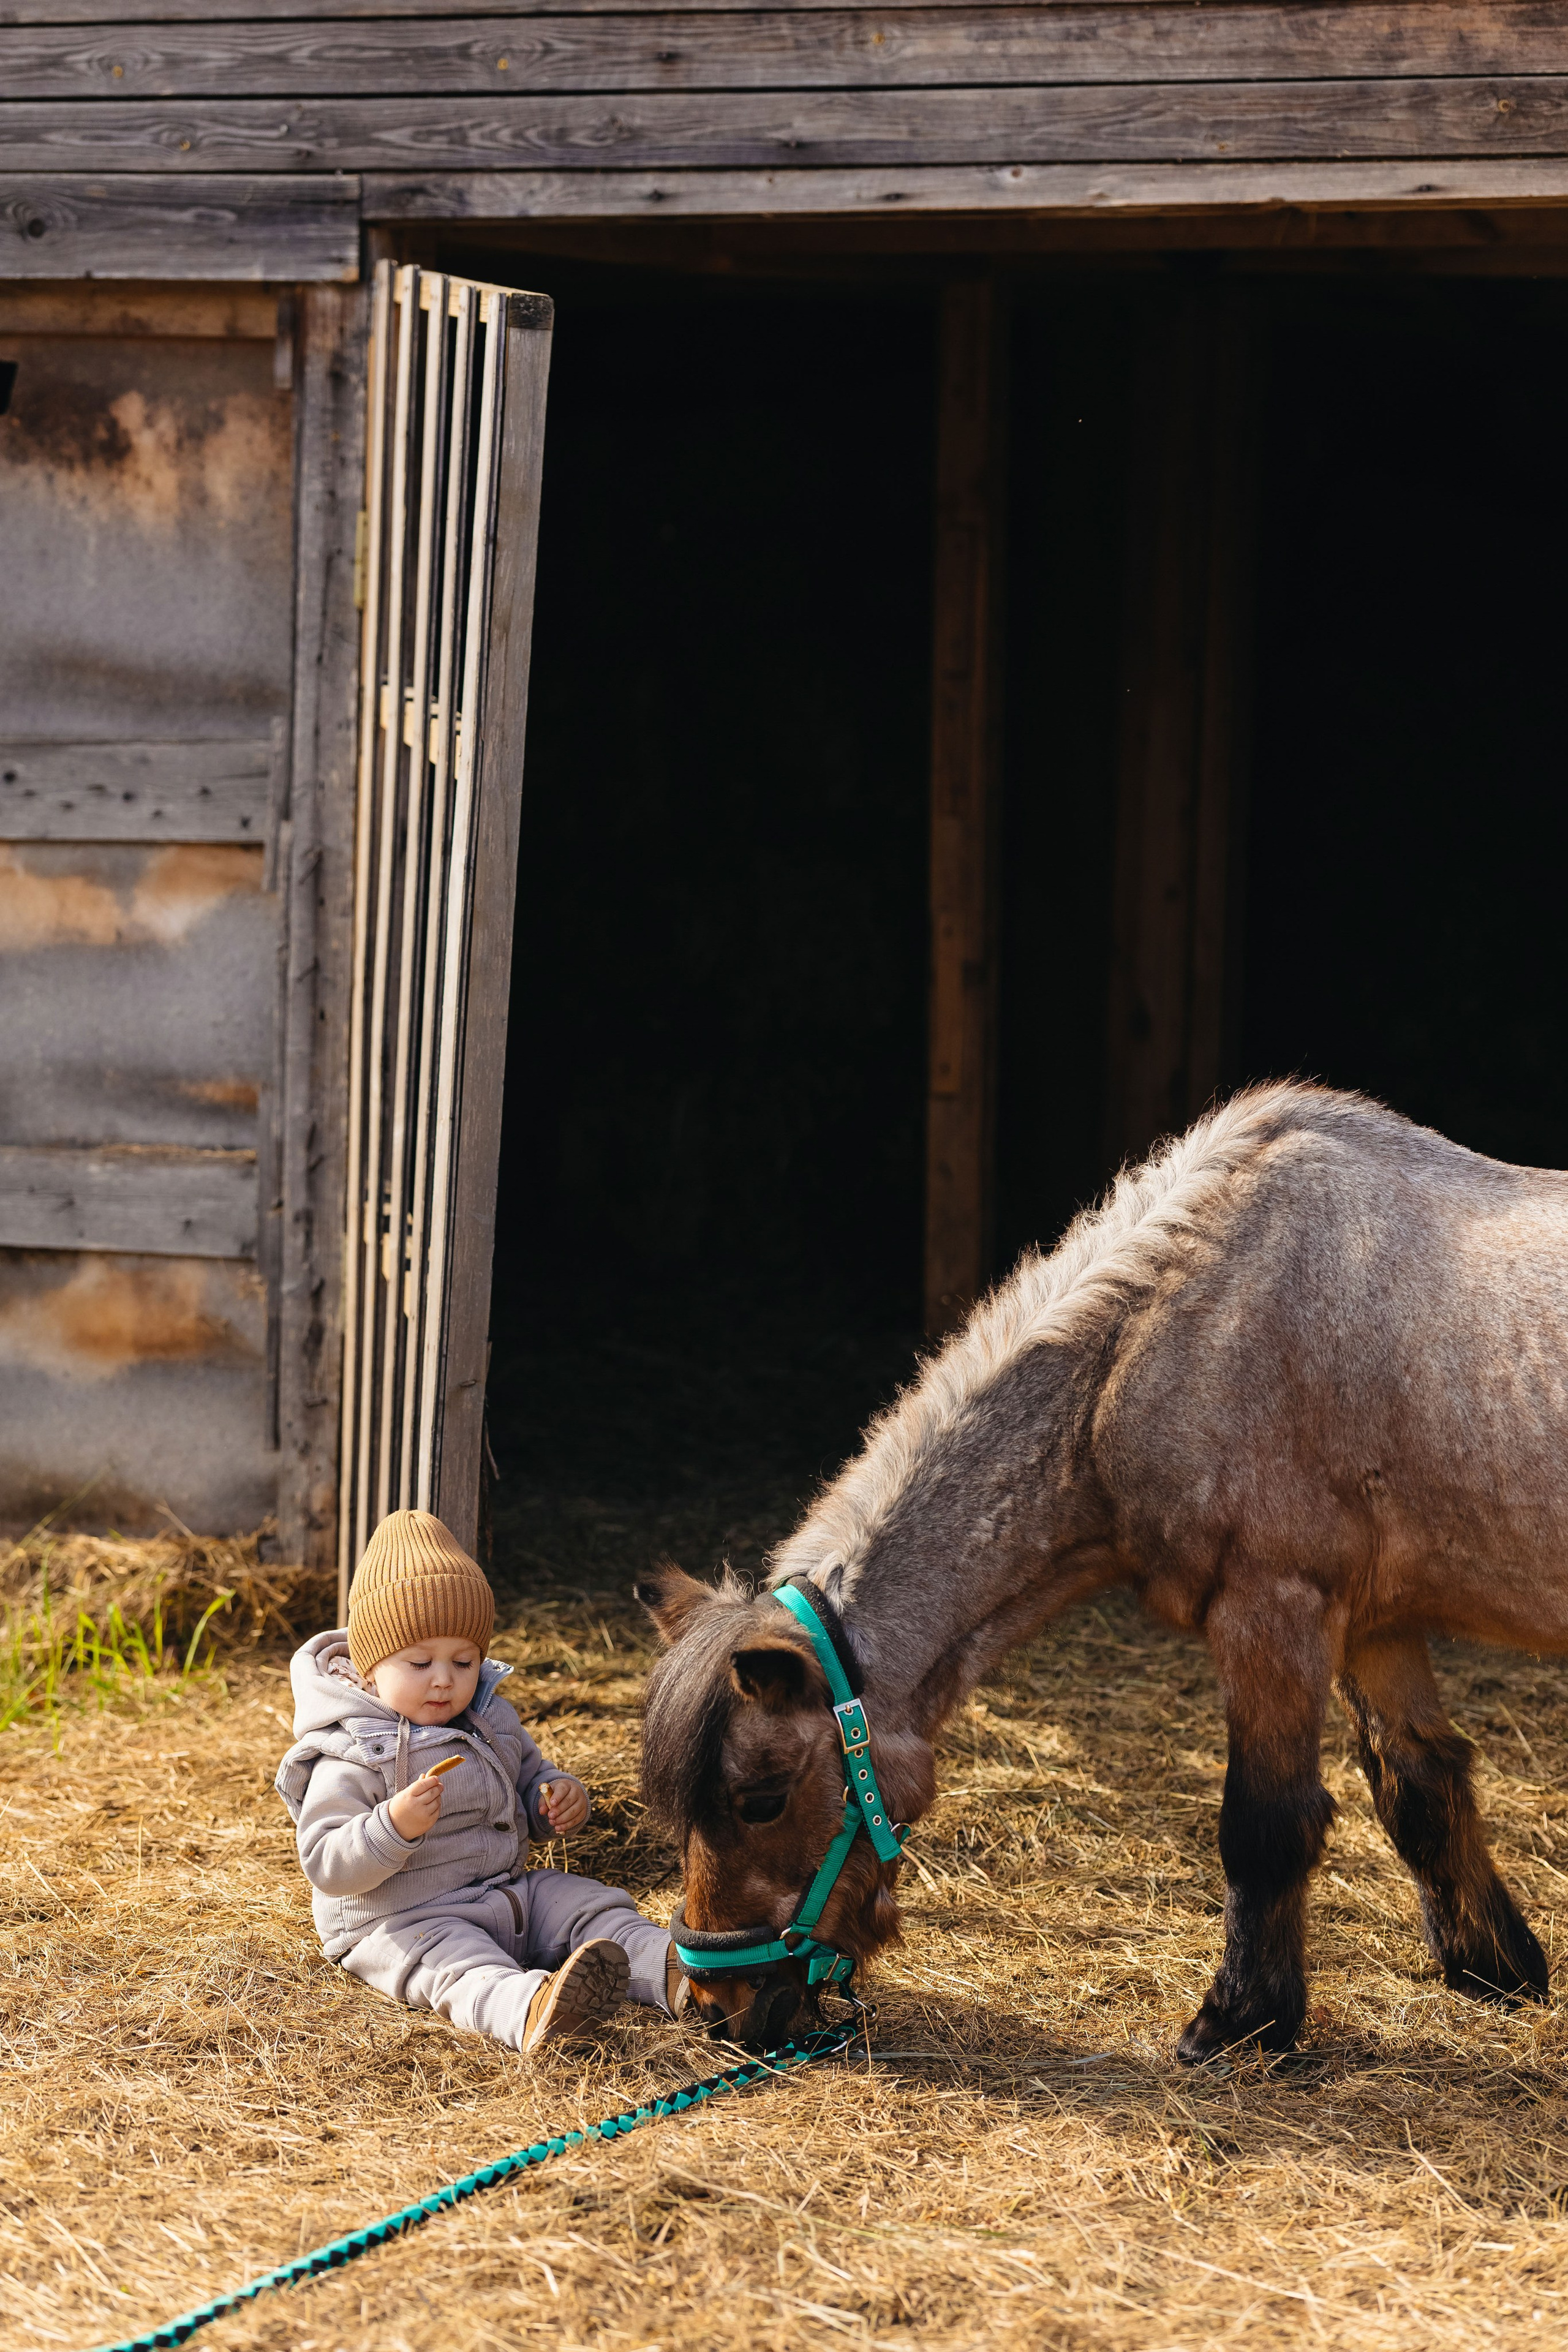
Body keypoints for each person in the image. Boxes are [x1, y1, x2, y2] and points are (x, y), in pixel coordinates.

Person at [274, 1509, 685, 2052]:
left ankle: (676, 1974)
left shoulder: (492, 1720)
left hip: (506, 1894)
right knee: (459, 1967)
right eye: (420, 1663)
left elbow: (530, 1777)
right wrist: (392, 1827)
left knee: (591, 1905)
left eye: (464, 1662)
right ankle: (533, 2010)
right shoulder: (351, 1752)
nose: (444, 1679)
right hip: (405, 1921)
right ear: (370, 1668)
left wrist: (555, 1798)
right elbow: (326, 1863)